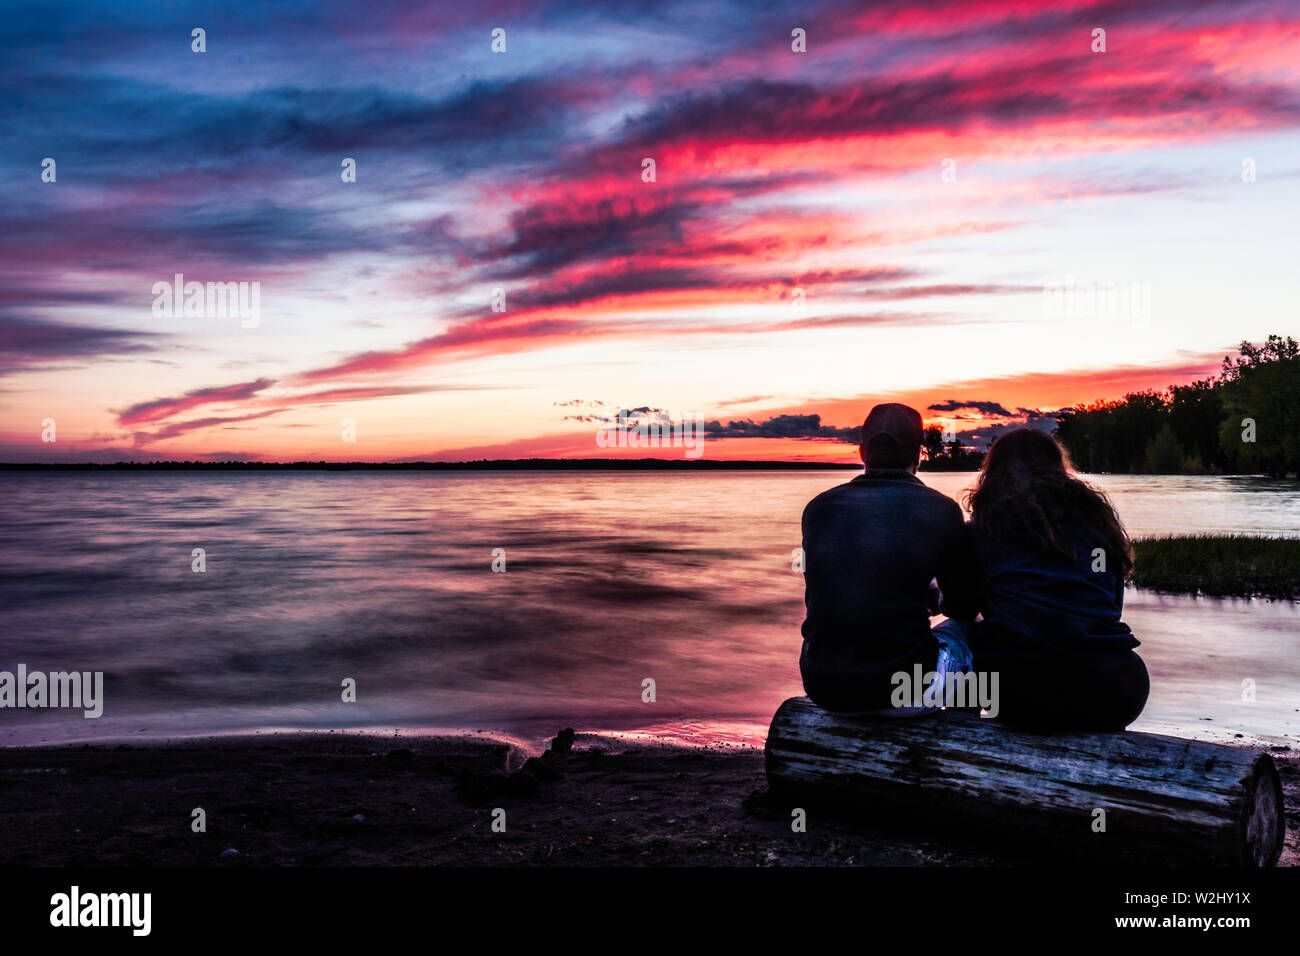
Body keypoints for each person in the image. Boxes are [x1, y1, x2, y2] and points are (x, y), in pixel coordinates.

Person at [962, 428, 1149, 732]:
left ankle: (961, 747)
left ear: (993, 474)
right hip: (1119, 689)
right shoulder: (1096, 524)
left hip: (1024, 691)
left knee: (959, 643)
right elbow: (1112, 609)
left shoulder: (985, 529)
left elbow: (964, 608)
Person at [799, 403, 978, 715]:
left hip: (823, 687)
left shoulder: (818, 509)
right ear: (919, 454)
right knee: (971, 631)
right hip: (900, 693)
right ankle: (968, 746)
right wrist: (935, 599)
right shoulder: (941, 510)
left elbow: (840, 590)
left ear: (861, 453)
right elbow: (962, 605)